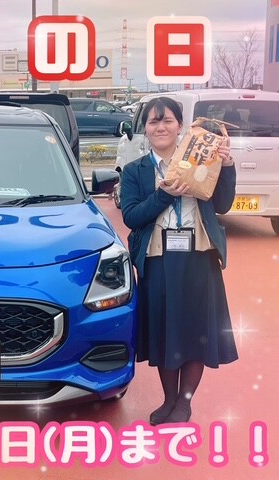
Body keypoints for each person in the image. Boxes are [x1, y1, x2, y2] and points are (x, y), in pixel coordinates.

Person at [120, 97, 238, 424]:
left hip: (199, 256)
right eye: (153, 121)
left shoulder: (202, 159)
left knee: (196, 331)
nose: (161, 127)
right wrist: (164, 194)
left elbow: (223, 205)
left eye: (168, 120)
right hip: (158, 259)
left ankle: (184, 404)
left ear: (180, 126)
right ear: (145, 128)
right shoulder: (135, 171)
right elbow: (132, 216)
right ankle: (169, 400)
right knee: (164, 331)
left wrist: (226, 166)